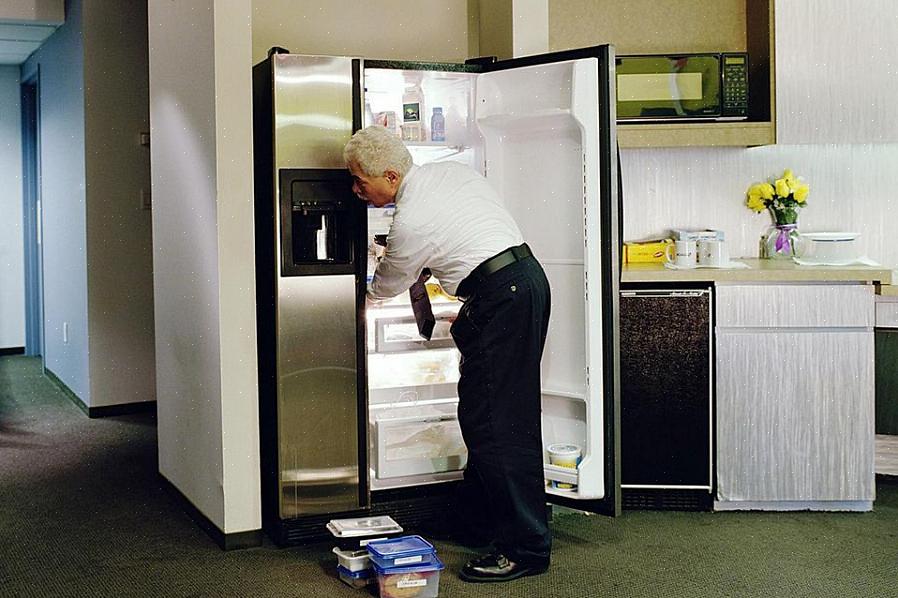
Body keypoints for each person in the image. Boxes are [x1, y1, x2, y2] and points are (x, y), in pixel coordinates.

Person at [344, 125, 551, 583]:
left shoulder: (411, 218)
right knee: (489, 417)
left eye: (361, 181)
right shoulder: (449, 173)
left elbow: (388, 286)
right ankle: (478, 523)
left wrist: (361, 283)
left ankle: (526, 548)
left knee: (497, 424)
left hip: (502, 296)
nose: (355, 189)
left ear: (392, 176)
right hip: (522, 283)